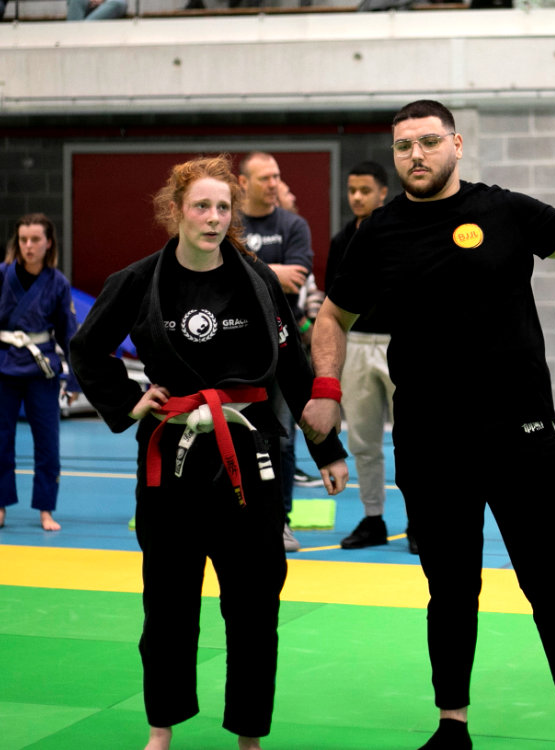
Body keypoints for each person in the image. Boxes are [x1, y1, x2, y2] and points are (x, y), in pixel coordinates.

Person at [301, 99, 555, 750]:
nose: (415, 155)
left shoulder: (504, 210)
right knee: (449, 588)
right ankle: (452, 724)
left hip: (520, 430)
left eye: (428, 142)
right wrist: (327, 387)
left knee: (550, 581)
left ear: (457, 144)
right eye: (403, 146)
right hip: (429, 438)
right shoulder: (379, 232)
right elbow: (332, 315)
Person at [69, 155, 349, 750]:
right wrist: (129, 399)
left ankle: (249, 733)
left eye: (223, 207)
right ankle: (161, 728)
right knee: (168, 602)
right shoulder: (138, 280)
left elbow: (293, 368)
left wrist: (328, 448)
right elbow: (87, 349)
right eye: (201, 205)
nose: (214, 217)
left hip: (248, 454)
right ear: (176, 210)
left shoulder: (257, 281)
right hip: (170, 458)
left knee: (254, 604)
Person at [324, 160, 414, 552]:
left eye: (365, 190)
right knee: (362, 440)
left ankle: (419, 520)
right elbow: (332, 302)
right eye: (352, 191)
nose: (357, 197)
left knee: (413, 440)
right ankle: (373, 516)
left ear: (382, 192)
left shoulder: (402, 231)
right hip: (357, 343)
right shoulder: (342, 240)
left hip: (401, 342)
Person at [238, 152, 315, 550]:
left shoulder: (293, 225)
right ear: (243, 182)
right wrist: (272, 271)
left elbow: (295, 280)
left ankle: (280, 520)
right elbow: (222, 276)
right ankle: (240, 516)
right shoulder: (230, 224)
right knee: (240, 434)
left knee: (282, 439)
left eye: (276, 176)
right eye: (264, 177)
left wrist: (249, 268)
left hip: (283, 348)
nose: (273, 184)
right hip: (237, 351)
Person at [0, 213, 80, 531]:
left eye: (35, 240)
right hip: (4, 368)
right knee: (1, 440)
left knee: (47, 443)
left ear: (49, 243)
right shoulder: (2, 275)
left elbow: (69, 334)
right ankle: (1, 506)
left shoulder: (58, 283)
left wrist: (74, 380)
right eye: (23, 240)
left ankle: (46, 509)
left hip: (41, 371)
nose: (28, 246)